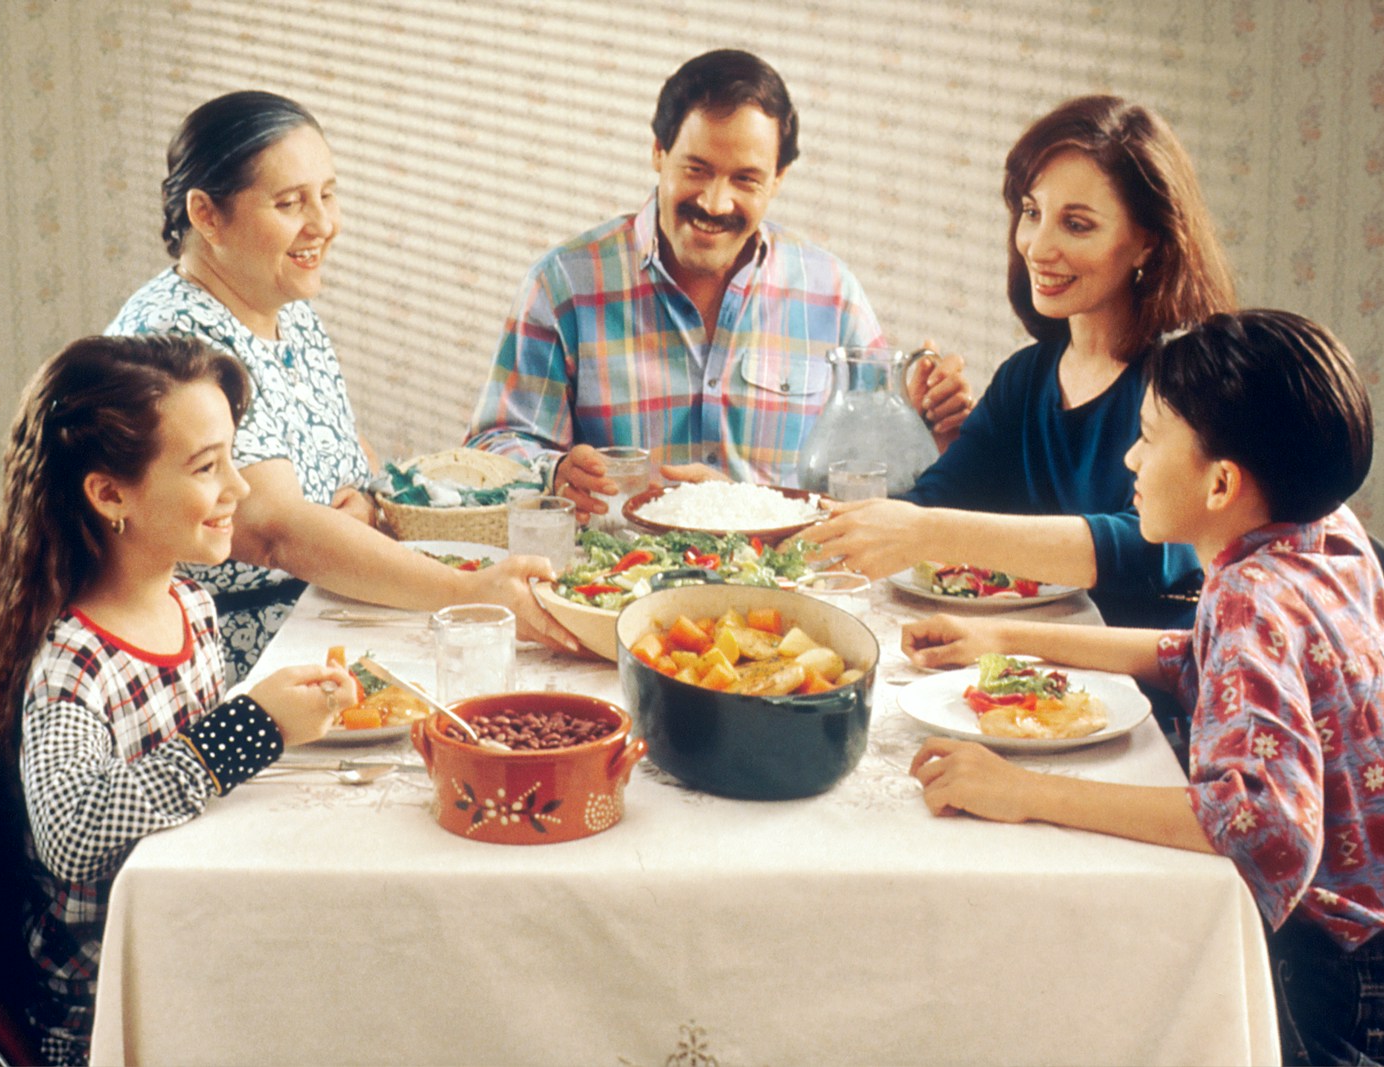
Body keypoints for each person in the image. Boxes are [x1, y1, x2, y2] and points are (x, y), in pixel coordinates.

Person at [905, 311, 1384, 1066]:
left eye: (1147, 436)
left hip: (1330, 973)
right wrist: (1007, 637)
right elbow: (1197, 654)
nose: (1130, 458)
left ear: (1219, 482)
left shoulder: (1255, 597)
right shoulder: (1323, 533)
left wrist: (1020, 788)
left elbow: (1259, 825)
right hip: (1380, 946)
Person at [0, 335, 357, 1065]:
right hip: (119, 1006)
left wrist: (280, 716)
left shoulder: (188, 601)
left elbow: (191, 778)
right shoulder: (74, 664)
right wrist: (252, 727)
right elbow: (74, 829)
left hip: (196, 929)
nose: (239, 488)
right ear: (111, 494)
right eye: (207, 466)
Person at [108, 90, 571, 680]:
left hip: (322, 614)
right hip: (227, 660)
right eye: (289, 203)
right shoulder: (176, 342)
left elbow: (346, 454)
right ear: (206, 215)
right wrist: (470, 590)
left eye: (327, 194)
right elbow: (275, 532)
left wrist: (370, 500)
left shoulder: (281, 304)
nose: (324, 225)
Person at [464, 49, 974, 519]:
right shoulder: (564, 285)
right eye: (697, 169)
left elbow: (874, 481)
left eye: (745, 180)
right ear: (659, 152)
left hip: (784, 593)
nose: (714, 202)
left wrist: (926, 425)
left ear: (778, 180)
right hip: (613, 587)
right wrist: (553, 473)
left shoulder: (831, 293)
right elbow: (493, 446)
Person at [804, 94, 1237, 628]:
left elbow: (1152, 545)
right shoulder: (1026, 378)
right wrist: (749, 512)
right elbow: (931, 502)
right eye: (1032, 213)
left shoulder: (1186, 384)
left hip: (1156, 688)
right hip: (1030, 674)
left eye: (1077, 224)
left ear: (1147, 243)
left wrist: (930, 531)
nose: (1037, 246)